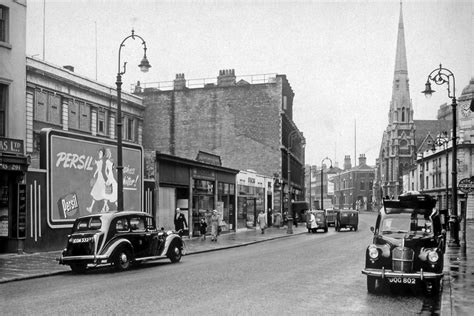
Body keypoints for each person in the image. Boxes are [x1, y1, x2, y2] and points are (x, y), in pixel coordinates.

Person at [87, 148, 106, 213]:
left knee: (99, 193)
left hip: (101, 179)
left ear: (103, 154)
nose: (99, 154)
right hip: (99, 178)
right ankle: (92, 208)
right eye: (99, 153)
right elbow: (98, 169)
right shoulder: (100, 161)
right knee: (97, 193)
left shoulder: (102, 161)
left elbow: (101, 169)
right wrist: (95, 174)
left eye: (100, 153)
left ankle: (103, 207)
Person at [103, 148, 117, 212]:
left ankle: (106, 206)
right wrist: (108, 177)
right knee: (108, 191)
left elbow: (113, 169)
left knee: (113, 189)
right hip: (110, 176)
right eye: (108, 153)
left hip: (112, 175)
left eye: (109, 152)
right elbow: (105, 171)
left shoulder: (112, 160)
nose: (109, 154)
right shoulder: (107, 161)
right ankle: (106, 206)